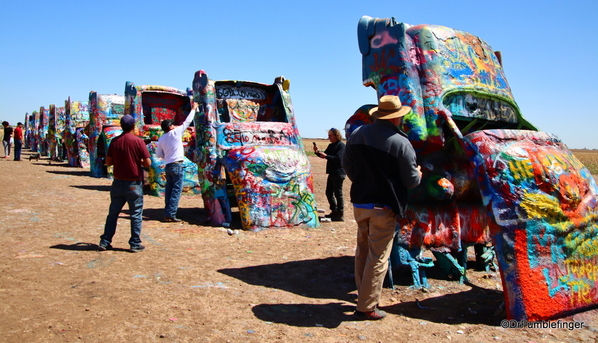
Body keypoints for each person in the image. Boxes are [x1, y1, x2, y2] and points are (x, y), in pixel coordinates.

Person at [341, 95, 422, 320]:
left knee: (363, 250)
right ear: (397, 118)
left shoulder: (358, 134)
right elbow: (411, 180)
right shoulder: (401, 142)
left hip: (360, 202)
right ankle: (366, 306)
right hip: (383, 206)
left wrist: (361, 180)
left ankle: (363, 295)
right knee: (378, 256)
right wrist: (420, 174)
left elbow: (346, 164)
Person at [99, 115, 151, 252]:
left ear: (121, 126)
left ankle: (105, 241)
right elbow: (148, 163)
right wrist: (136, 162)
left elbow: (108, 162)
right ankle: (134, 243)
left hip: (117, 182)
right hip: (133, 183)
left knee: (113, 213)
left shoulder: (115, 142)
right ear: (133, 126)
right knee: (135, 214)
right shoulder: (138, 142)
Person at [156, 102, 198, 222]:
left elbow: (159, 154)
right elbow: (187, 122)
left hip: (168, 165)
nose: (174, 126)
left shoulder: (162, 138)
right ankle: (171, 214)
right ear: (170, 127)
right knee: (176, 190)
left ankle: (167, 212)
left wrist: (167, 154)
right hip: (177, 164)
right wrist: (194, 109)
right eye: (172, 125)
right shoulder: (175, 133)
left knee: (169, 190)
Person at [313, 128, 346, 221]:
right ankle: (334, 211)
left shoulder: (341, 146)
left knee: (338, 193)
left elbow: (338, 159)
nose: (328, 137)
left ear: (336, 135)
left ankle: (340, 214)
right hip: (332, 172)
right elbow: (325, 155)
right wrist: (317, 152)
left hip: (339, 172)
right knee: (329, 192)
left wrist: (326, 156)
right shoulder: (331, 146)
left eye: (330, 135)